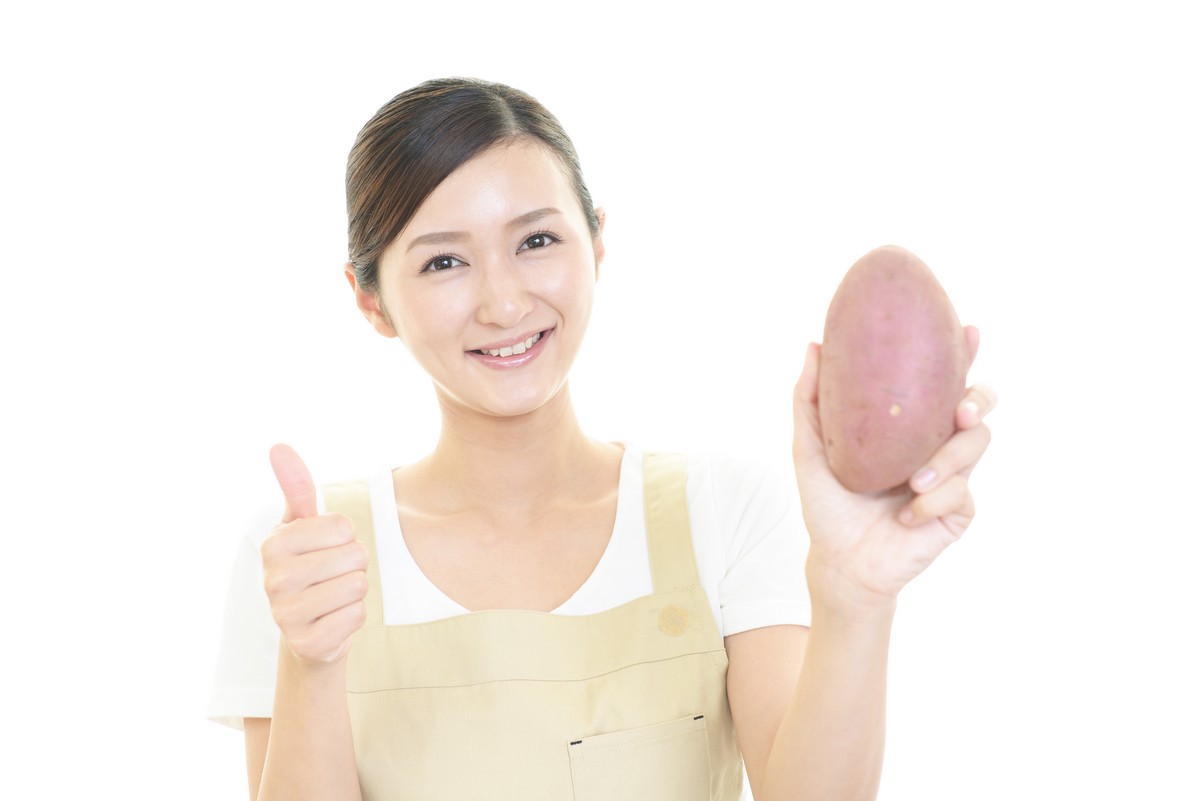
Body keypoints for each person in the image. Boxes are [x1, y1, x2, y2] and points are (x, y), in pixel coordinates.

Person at [208, 77, 995, 801]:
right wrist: (312, 665)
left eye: (537, 241)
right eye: (445, 260)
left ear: (597, 242)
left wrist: (855, 597)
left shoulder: (718, 509)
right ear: (370, 300)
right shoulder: (306, 554)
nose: (505, 302)